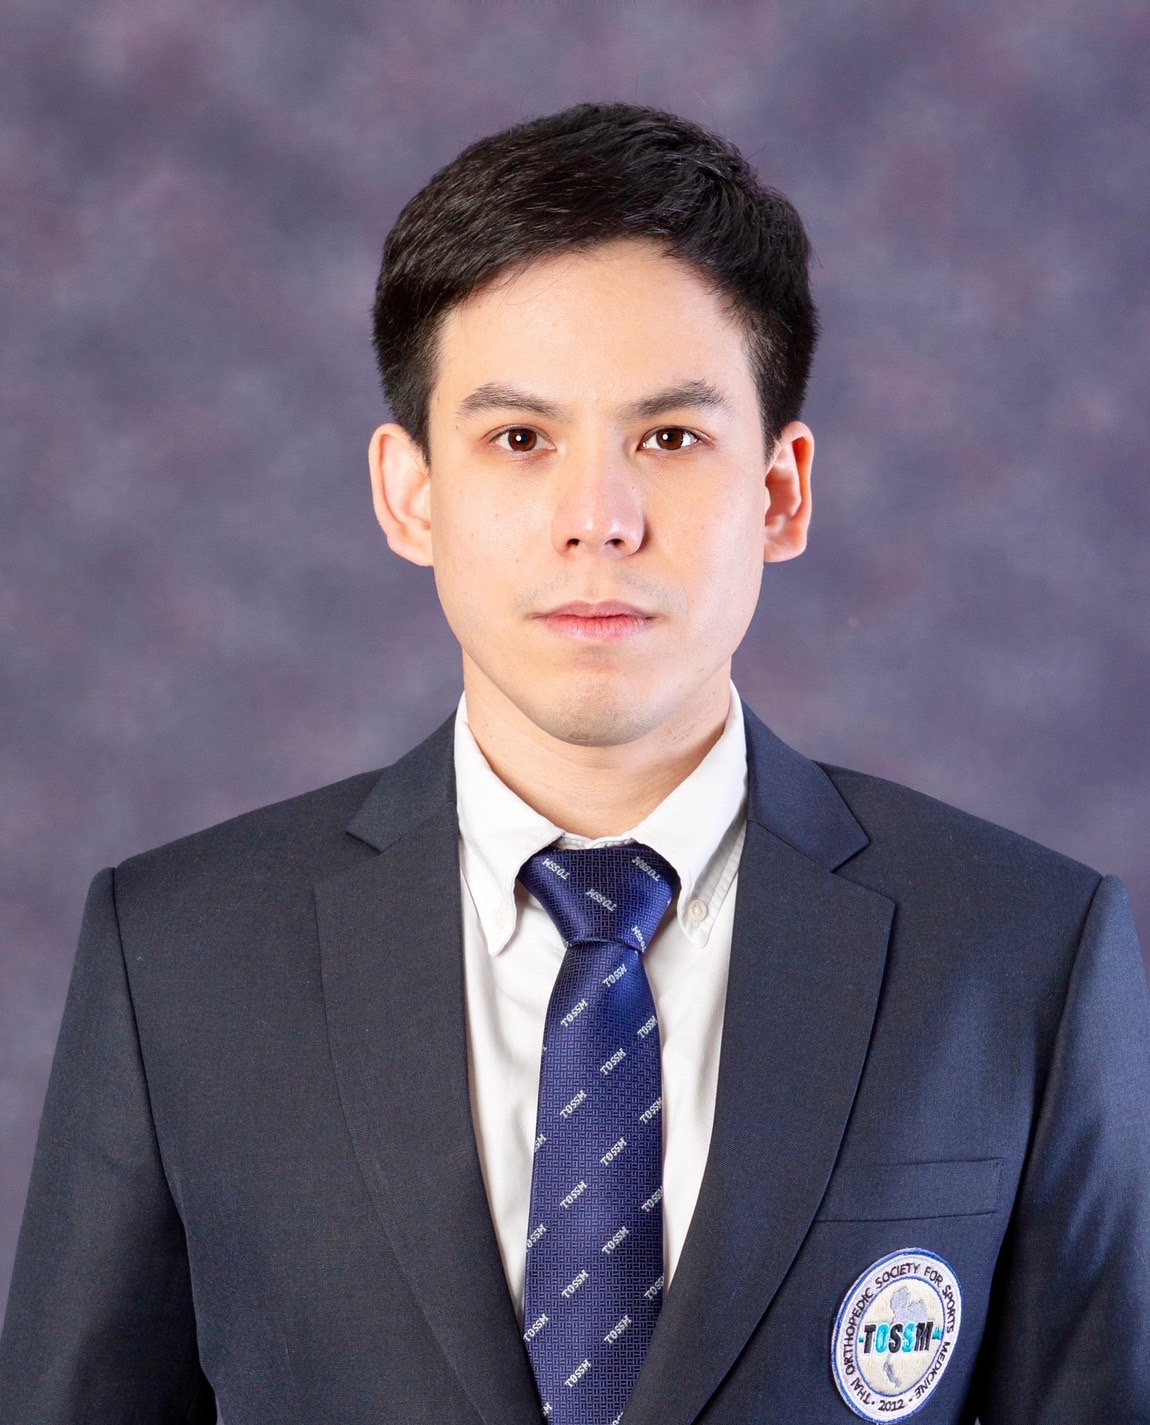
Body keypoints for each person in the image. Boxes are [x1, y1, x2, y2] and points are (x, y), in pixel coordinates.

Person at [1, 101, 1147, 1425]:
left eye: (669, 438)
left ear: (779, 491)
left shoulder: (1019, 952)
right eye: (519, 439)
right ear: (410, 493)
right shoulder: (180, 958)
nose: (597, 520)